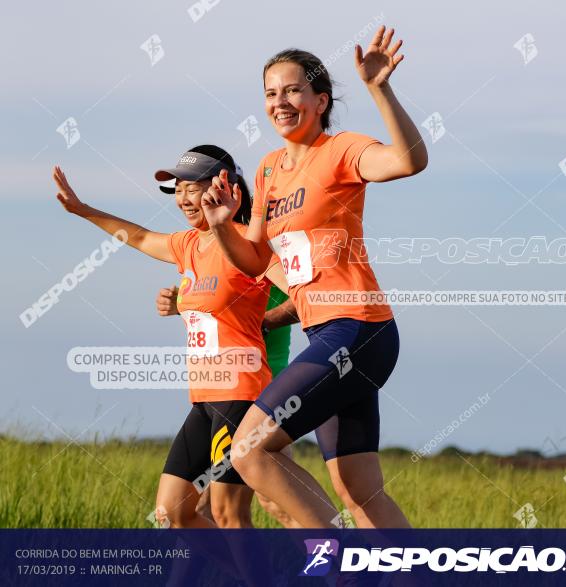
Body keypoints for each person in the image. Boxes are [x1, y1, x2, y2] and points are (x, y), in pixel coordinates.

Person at [200, 26, 428, 528]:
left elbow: (410, 160)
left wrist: (380, 89)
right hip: (324, 334)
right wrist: (221, 228)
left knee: (250, 450)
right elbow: (257, 259)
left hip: (358, 328)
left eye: (293, 90)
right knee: (359, 491)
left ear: (320, 99)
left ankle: (337, 565)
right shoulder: (266, 170)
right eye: (271, 93)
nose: (281, 102)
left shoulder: (342, 149)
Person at [52, 145, 289, 528]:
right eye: (177, 189)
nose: (181, 198)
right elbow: (142, 238)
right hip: (203, 399)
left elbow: (299, 292)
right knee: (172, 513)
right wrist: (84, 210)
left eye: (190, 187)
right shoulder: (188, 245)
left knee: (228, 514)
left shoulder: (248, 241)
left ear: (222, 186)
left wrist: (263, 322)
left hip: (241, 394)